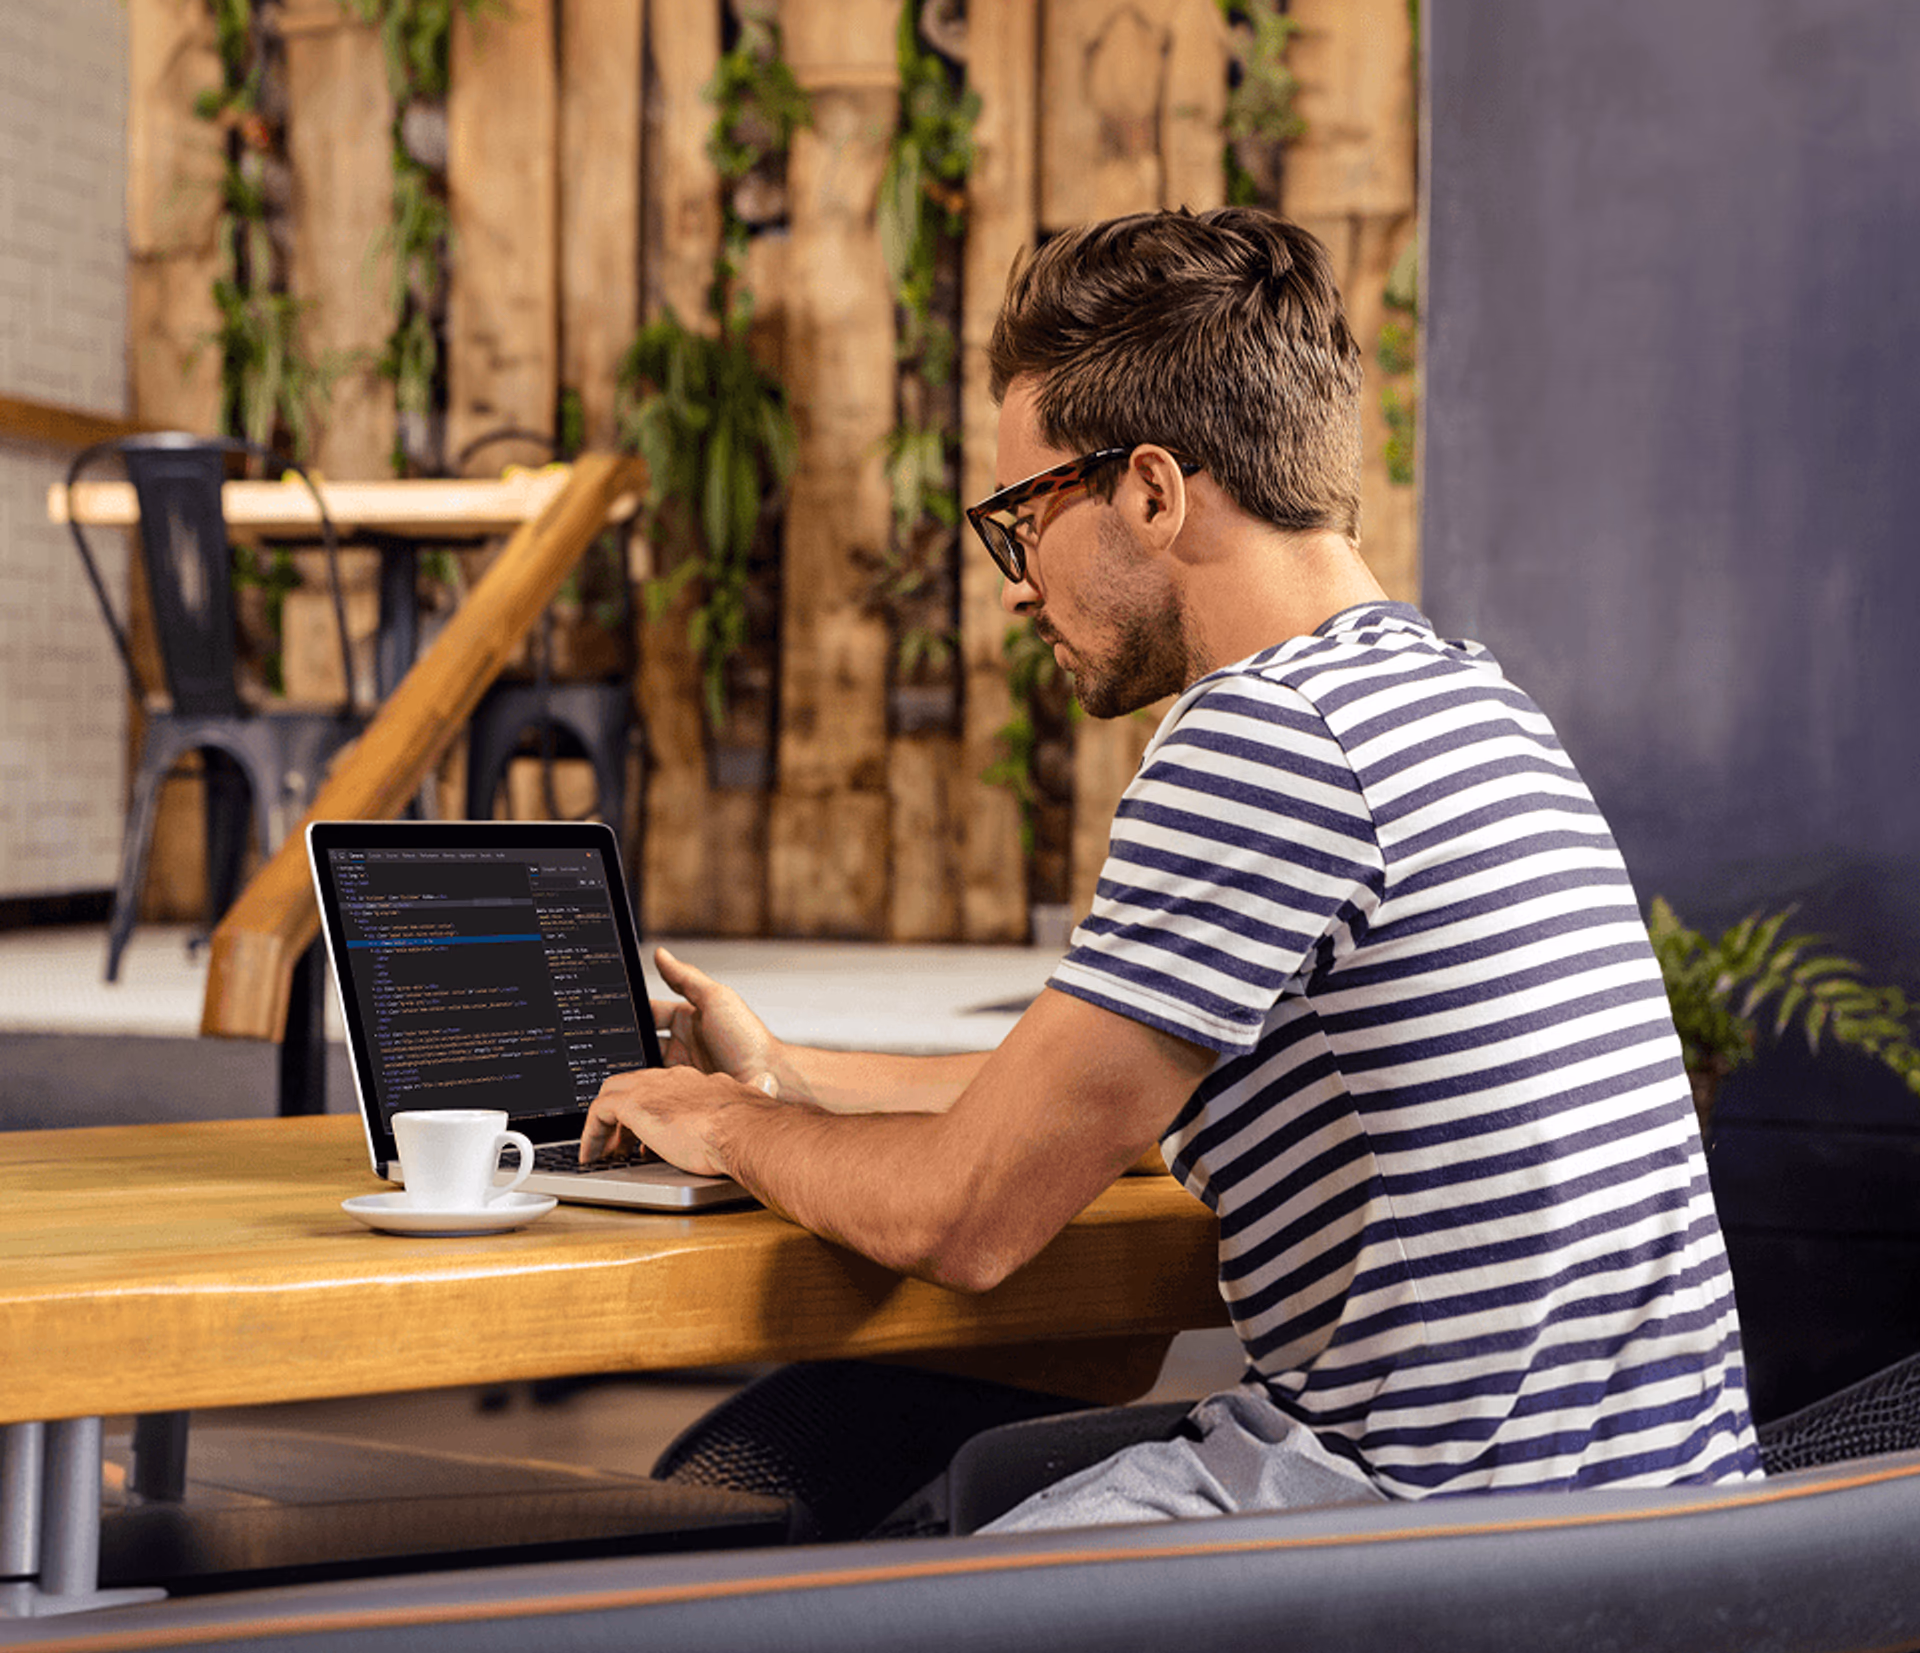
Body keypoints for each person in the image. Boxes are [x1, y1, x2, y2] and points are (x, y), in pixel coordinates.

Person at [584, 207, 1761, 1531]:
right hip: (1648, 1535)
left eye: (1024, 516)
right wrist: (785, 1073)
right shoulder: (1459, 699)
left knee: (791, 1595)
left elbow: (962, 1219)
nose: (1015, 584)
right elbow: (1098, 1100)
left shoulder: (1267, 736)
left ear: (1151, 491)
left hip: (1430, 1545)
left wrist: (727, 1128)